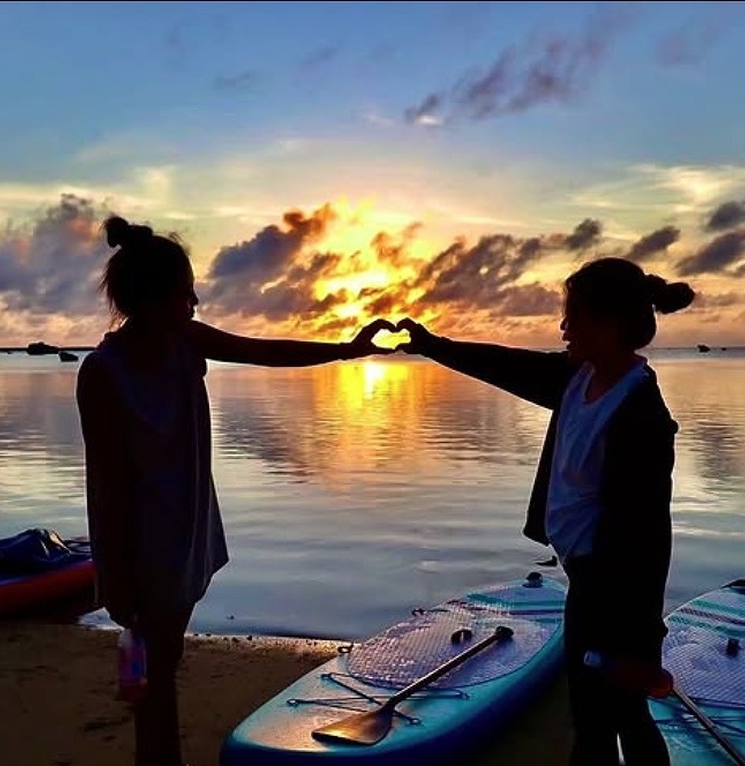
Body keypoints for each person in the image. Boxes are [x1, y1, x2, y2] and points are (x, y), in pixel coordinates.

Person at [75, 215, 395, 766]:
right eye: (185, 292)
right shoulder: (104, 373)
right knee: (152, 672)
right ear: (149, 300)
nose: (194, 302)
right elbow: (108, 487)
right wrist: (118, 575)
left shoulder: (184, 341)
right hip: (141, 543)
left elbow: (266, 351)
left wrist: (348, 350)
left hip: (187, 527)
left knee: (162, 664)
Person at [394, 256, 695, 766]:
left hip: (615, 591)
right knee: (599, 713)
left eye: (574, 317)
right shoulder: (577, 377)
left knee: (618, 714)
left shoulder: (641, 414)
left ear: (608, 325)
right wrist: (431, 345)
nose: (563, 328)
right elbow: (504, 364)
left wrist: (640, 638)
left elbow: (647, 539)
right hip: (585, 577)